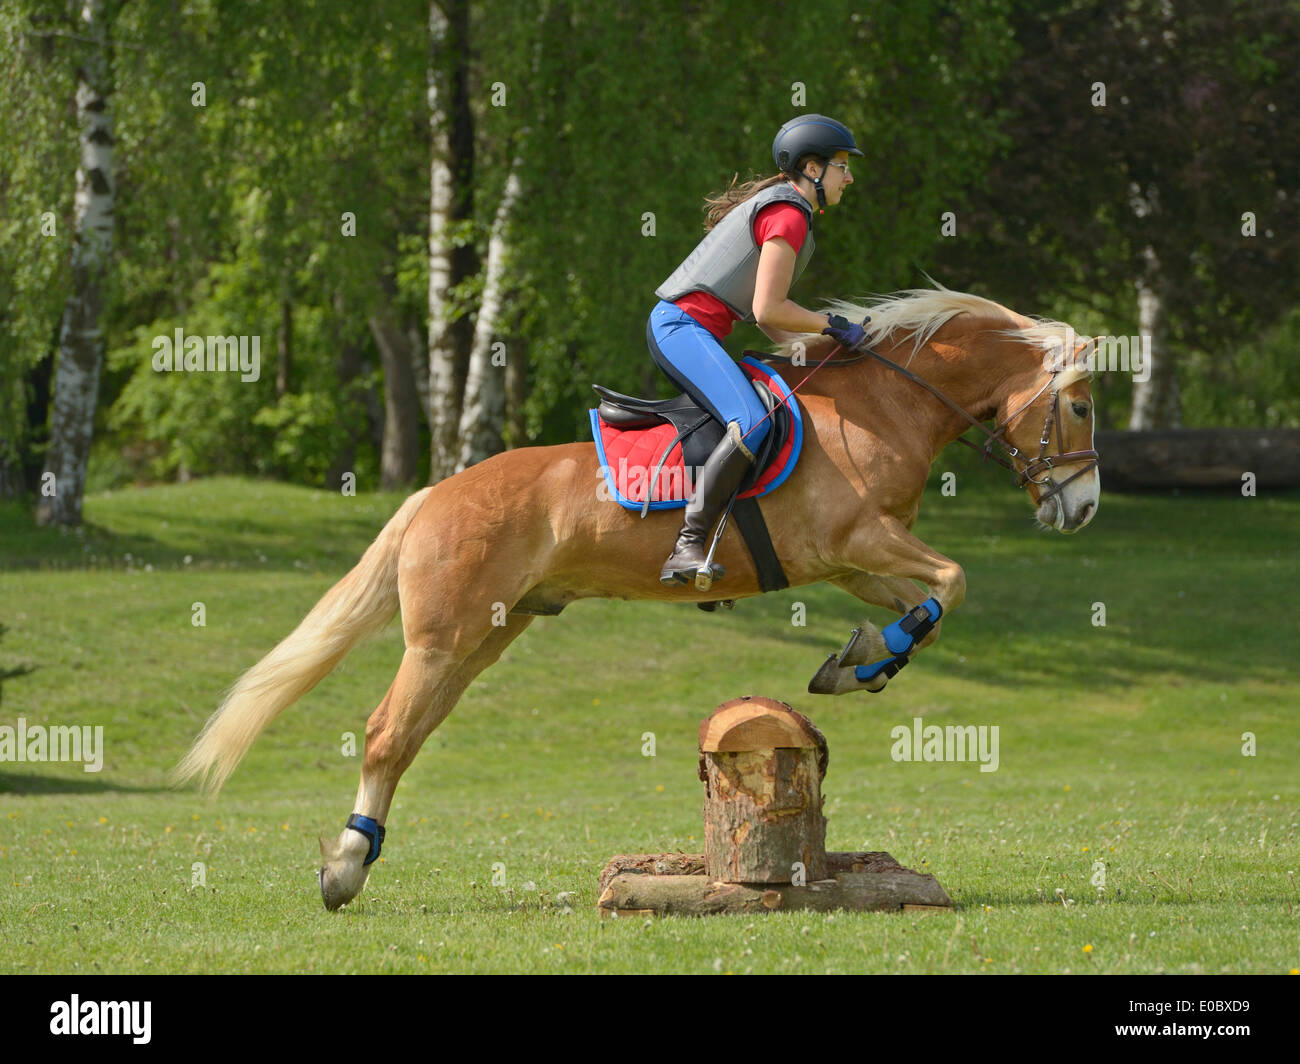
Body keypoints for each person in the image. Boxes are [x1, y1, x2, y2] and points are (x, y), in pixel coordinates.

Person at [650, 113, 868, 587]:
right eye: (842, 166)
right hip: (680, 328)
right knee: (752, 422)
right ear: (813, 168)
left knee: (755, 419)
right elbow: (769, 309)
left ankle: (725, 545)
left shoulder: (791, 212)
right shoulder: (788, 215)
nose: (848, 177)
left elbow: (773, 323)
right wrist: (831, 325)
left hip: (693, 331)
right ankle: (687, 544)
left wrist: (816, 350)